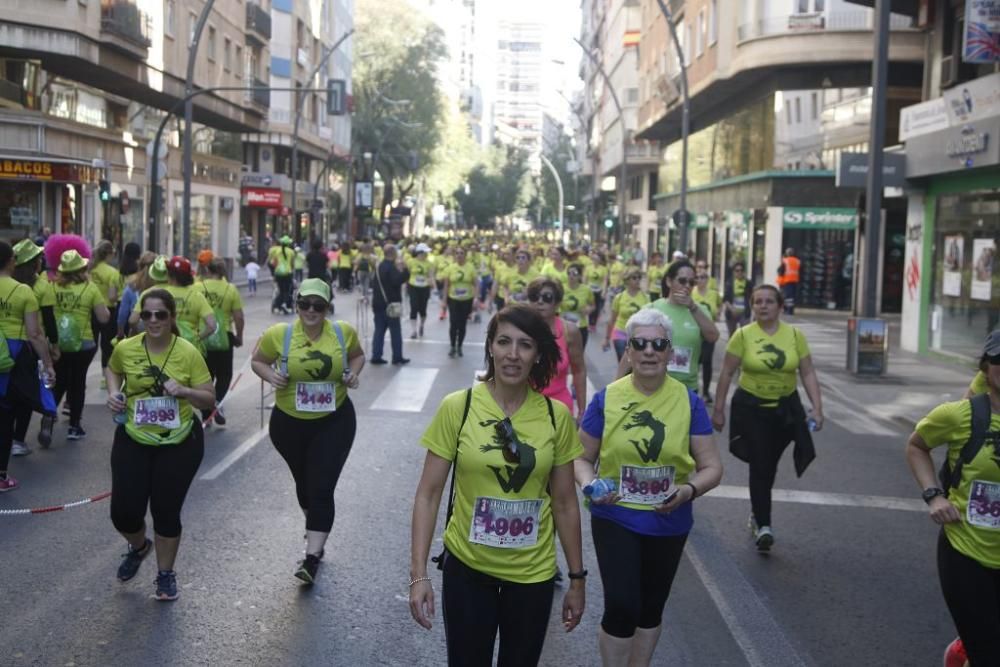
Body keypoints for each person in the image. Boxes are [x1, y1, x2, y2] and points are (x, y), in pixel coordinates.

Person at [409, 305, 586, 666]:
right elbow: (428, 495)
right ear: (490, 346)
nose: (513, 354)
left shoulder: (557, 417)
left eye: (525, 345)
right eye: (504, 341)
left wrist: (577, 579)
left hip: (532, 574)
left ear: (538, 355)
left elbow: (566, 504)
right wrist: (418, 577)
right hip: (468, 569)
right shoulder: (459, 407)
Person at [577, 308, 722, 666]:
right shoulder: (607, 398)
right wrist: (590, 484)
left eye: (658, 344)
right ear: (628, 351)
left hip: (669, 519)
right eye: (639, 343)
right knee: (623, 604)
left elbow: (712, 467)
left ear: (669, 352)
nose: (649, 351)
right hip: (616, 515)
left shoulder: (688, 402)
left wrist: (688, 491)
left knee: (650, 607)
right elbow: (580, 459)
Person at [251, 278, 365, 583]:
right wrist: (270, 375)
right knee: (305, 485)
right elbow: (258, 361)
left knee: (322, 487)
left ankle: (312, 557)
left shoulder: (342, 333)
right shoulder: (280, 334)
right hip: (289, 424)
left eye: (318, 305)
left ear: (327, 307)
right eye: (304, 304)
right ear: (297, 304)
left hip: (334, 421)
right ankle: (314, 522)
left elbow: (357, 355)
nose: (311, 311)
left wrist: (353, 374)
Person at [105, 288, 215, 601]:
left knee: (166, 511)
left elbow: (209, 398)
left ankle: (165, 574)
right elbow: (113, 369)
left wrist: (185, 391)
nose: (153, 321)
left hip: (180, 442)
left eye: (161, 315)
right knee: (123, 513)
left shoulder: (188, 351)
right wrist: (114, 393)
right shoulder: (126, 348)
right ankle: (140, 547)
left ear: (171, 318)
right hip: (134, 438)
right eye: (148, 314)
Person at [906, 332, 1000, 667]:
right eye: (998, 360)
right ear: (985, 369)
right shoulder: (959, 415)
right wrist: (934, 496)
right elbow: (917, 446)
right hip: (966, 550)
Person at [711, 284, 823, 551]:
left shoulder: (795, 336)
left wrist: (817, 408)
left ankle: (757, 511)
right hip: (752, 409)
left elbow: (807, 372)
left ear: (780, 307)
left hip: (786, 410)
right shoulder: (743, 335)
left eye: (769, 301)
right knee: (760, 464)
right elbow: (726, 373)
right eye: (757, 301)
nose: (763, 306)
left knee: (769, 464)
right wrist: (718, 409)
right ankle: (763, 524)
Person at [0, 241, 56, 490]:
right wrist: (48, 364)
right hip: (12, 354)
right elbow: (35, 334)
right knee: (6, 413)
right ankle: (1, 476)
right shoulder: (24, 291)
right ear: (11, 261)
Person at [625, 261, 719, 396]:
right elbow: (632, 348)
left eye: (691, 282)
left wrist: (692, 308)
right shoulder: (652, 308)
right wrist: (614, 387)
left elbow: (713, 337)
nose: (687, 286)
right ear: (669, 281)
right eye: (682, 281)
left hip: (686, 388)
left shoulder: (700, 310)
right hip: (652, 387)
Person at [52, 250, 111, 440]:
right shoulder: (90, 288)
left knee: (59, 382)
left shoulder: (52, 288)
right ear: (82, 269)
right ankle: (74, 427)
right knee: (77, 383)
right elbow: (103, 317)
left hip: (58, 343)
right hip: (83, 343)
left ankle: (48, 415)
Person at [10, 240, 58, 454]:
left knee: (7, 395)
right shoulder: (41, 286)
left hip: (5, 346)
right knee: (27, 393)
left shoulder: (8, 284)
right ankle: (18, 440)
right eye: (39, 258)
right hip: (30, 348)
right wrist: (54, 347)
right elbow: (48, 322)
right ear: (34, 263)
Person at [130, 257, 217, 359]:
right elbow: (212, 326)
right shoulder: (197, 296)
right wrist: (196, 338)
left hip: (160, 349)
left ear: (170, 275)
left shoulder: (153, 293)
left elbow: (132, 320)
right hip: (189, 351)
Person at [527, 278, 587, 418]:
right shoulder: (519, 329)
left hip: (559, 407)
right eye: (534, 296)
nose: (540, 301)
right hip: (523, 406)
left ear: (557, 303)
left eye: (547, 297)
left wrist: (582, 410)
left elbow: (579, 371)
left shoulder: (570, 332)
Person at [195, 258, 245, 426]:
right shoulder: (230, 289)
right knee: (224, 375)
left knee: (204, 376)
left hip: (203, 336)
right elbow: (239, 317)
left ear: (208, 270)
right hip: (224, 337)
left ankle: (205, 413)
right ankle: (217, 402)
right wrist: (239, 336)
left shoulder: (198, 287)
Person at [370, 244, 410, 366]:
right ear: (392, 253)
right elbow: (397, 281)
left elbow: (373, 284)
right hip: (391, 304)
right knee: (395, 331)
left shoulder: (379, 267)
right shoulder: (391, 268)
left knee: (379, 330)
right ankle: (397, 357)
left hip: (377, 303)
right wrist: (405, 271)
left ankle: (376, 355)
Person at [89, 240, 121, 379]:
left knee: (92, 343)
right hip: (108, 310)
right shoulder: (113, 272)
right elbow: (112, 296)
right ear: (108, 254)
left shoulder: (90, 270)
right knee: (107, 345)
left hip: (90, 309)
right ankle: (105, 376)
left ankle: (82, 373)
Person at [693, 260, 722, 402]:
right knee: (695, 361)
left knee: (707, 362)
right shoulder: (692, 293)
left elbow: (719, 305)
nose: (700, 280)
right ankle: (694, 388)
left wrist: (717, 315)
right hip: (694, 333)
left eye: (703, 277)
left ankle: (706, 391)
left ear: (708, 279)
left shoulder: (713, 293)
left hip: (709, 332)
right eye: (697, 277)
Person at [604, 268, 650, 361]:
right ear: (627, 280)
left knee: (635, 364)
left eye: (639, 278)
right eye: (634, 278)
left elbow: (649, 319)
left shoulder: (646, 298)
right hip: (621, 332)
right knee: (623, 360)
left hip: (638, 335)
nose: (637, 280)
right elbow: (612, 319)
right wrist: (606, 338)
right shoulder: (619, 298)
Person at [441, 245, 477, 358]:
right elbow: (446, 285)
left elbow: (476, 284)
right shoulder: (450, 268)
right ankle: (452, 346)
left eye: (462, 253)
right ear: (454, 255)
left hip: (466, 300)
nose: (459, 255)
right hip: (453, 300)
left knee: (462, 325)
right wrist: (444, 301)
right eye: (457, 253)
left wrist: (476, 298)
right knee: (453, 323)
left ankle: (459, 346)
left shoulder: (471, 268)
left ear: (465, 255)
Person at [117, 251, 158, 339]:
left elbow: (122, 314)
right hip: (159, 331)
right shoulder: (160, 286)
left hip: (137, 332)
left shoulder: (131, 287)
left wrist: (120, 333)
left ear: (139, 266)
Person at [561, 263, 595, 350]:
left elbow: (593, 305)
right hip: (563, 326)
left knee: (578, 355)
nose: (571, 276)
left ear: (580, 276)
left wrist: (589, 309)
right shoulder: (561, 288)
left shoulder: (586, 290)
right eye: (569, 273)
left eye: (574, 273)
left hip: (580, 326)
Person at [406, 243, 434, 339]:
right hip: (413, 286)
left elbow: (430, 275)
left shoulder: (429, 263)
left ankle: (421, 325)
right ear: (420, 252)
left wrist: (432, 283)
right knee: (413, 307)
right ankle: (414, 331)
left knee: (423, 309)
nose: (427, 254)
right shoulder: (410, 262)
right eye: (425, 252)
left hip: (424, 287)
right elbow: (408, 273)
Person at [721, 261, 753, 336]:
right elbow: (725, 299)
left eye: (741, 270)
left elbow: (753, 297)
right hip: (732, 313)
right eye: (737, 270)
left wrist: (753, 313)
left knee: (744, 334)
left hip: (744, 313)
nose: (739, 272)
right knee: (732, 335)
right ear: (734, 272)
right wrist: (731, 309)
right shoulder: (729, 283)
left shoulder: (748, 283)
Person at [268, 236, 296, 314]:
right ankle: (285, 304)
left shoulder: (277, 251)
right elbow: (292, 264)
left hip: (278, 273)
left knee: (281, 290)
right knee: (287, 290)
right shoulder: (291, 252)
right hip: (287, 273)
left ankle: (277, 304)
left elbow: (273, 263)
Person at [587, 251, 609, 331]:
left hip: (598, 290)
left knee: (597, 308)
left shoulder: (604, 269)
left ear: (600, 260)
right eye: (594, 258)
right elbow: (585, 279)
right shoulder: (588, 267)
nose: (595, 260)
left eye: (597, 259)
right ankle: (589, 322)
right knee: (590, 307)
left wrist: (604, 291)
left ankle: (593, 323)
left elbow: (605, 280)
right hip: (590, 290)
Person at [776, 248, 800, 315]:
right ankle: (791, 310)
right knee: (792, 296)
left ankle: (788, 310)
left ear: (787, 253)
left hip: (787, 280)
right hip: (795, 280)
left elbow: (780, 271)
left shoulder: (785, 261)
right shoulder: (797, 261)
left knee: (788, 296)